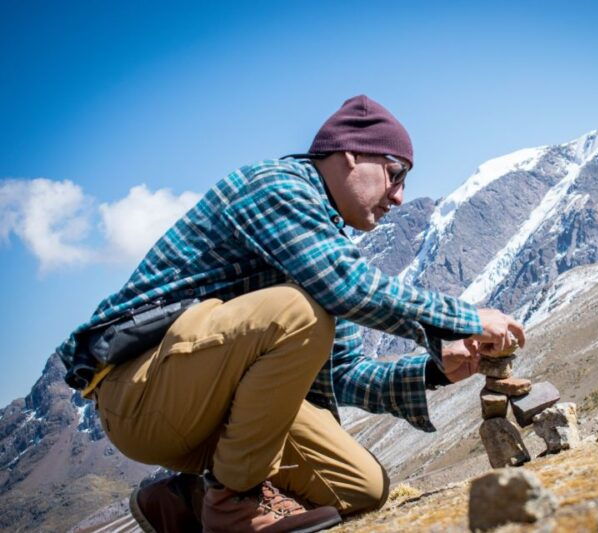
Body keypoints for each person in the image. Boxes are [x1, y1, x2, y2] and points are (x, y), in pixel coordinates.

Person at [56, 95, 525, 533]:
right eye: (395, 173)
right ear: (351, 155)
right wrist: (465, 318)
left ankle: (186, 500)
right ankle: (231, 503)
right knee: (298, 311)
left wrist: (433, 370)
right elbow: (349, 288)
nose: (399, 195)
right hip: (140, 398)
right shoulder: (274, 188)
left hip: (209, 417)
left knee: (362, 487)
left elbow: (343, 374)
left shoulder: (324, 242)